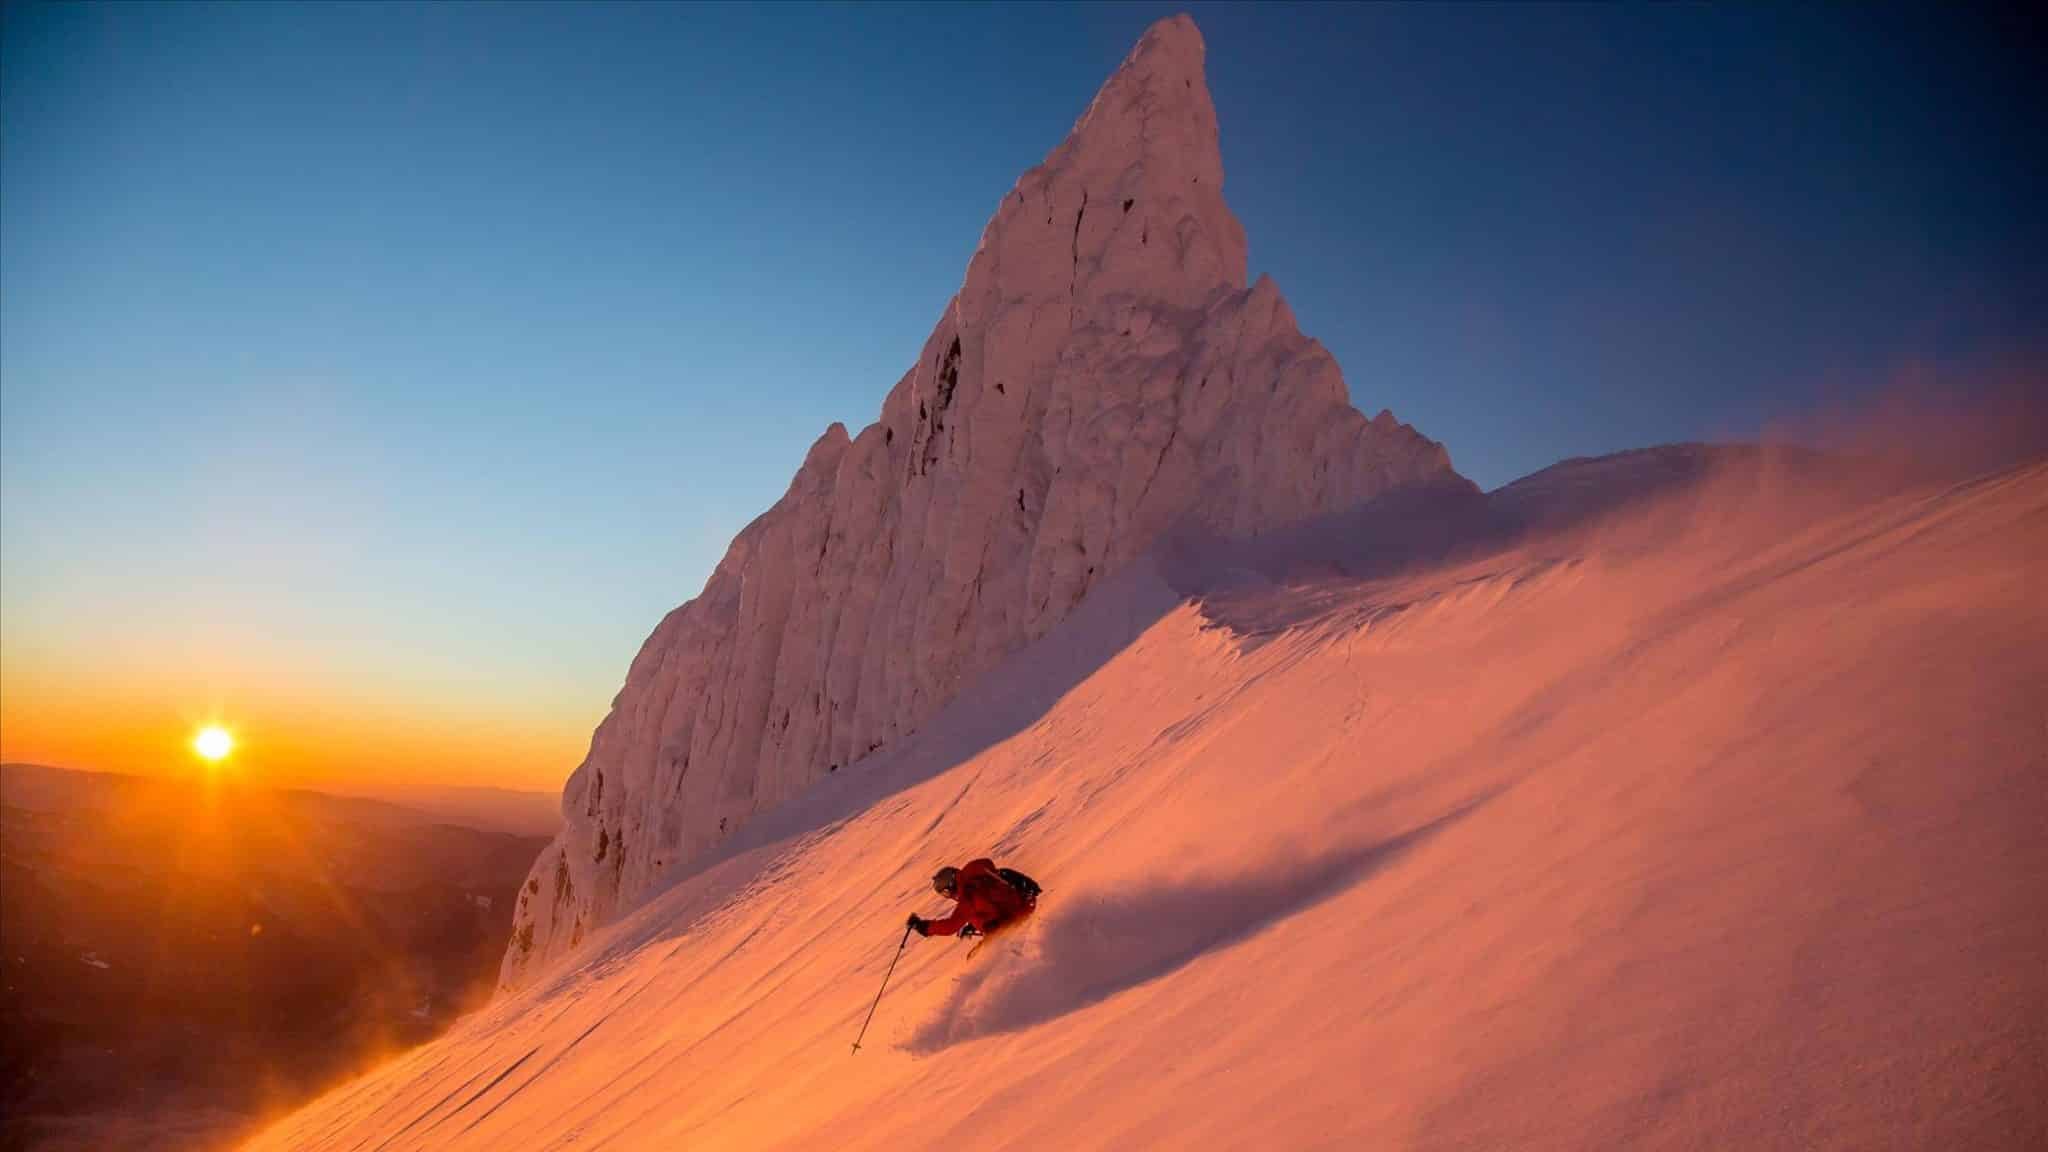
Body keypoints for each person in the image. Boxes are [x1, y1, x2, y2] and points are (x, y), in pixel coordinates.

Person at [907, 857, 1035, 940]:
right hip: (1024, 904)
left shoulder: (967, 897)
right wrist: (973, 926)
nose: (949, 896)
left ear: (950, 887)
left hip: (1009, 922)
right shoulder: (977, 877)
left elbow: (950, 926)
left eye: (945, 893)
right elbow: (989, 901)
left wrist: (922, 927)